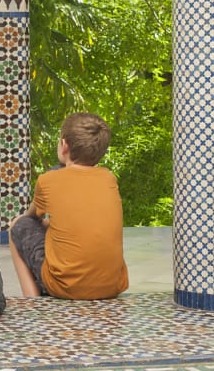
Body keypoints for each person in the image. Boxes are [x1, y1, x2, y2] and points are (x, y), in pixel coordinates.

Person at [8, 112, 129, 300]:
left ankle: (31, 300)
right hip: (113, 286)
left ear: (64, 145)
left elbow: (31, 218)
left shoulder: (48, 180)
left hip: (66, 288)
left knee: (18, 226)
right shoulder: (109, 178)